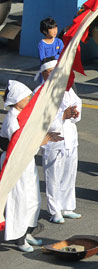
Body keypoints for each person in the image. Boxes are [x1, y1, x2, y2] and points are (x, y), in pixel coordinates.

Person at [1, 81, 62, 252]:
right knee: (19, 200)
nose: (29, 99)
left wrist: (46, 136)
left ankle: (27, 231)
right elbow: (17, 146)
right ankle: (18, 239)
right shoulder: (12, 118)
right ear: (16, 99)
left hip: (26, 162)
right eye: (26, 97)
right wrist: (40, 141)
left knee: (32, 198)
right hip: (15, 163)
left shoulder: (23, 114)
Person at [38, 58, 83, 225]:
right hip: (53, 141)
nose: (53, 75)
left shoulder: (67, 89)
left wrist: (75, 113)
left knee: (69, 174)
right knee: (53, 176)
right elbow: (41, 120)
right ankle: (55, 210)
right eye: (50, 72)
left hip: (70, 138)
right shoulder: (41, 92)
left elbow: (77, 103)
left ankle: (67, 206)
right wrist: (63, 115)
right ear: (43, 74)